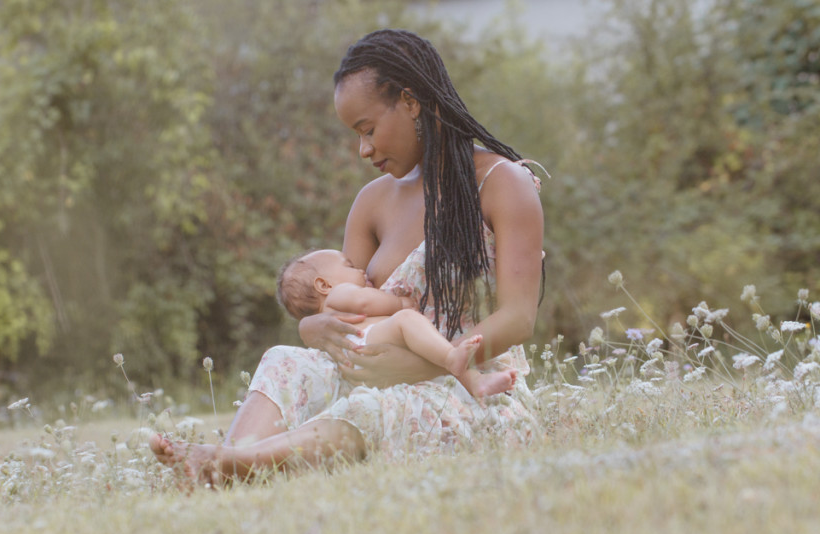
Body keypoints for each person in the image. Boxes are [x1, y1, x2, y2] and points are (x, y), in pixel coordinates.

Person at [152, 28, 545, 486]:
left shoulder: (502, 182)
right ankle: (227, 462)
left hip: (471, 384)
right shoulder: (372, 201)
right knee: (285, 359)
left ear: (411, 101)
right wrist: (310, 327)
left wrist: (427, 363)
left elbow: (519, 317)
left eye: (368, 129)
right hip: (374, 371)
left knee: (372, 408)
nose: (364, 149)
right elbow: (339, 304)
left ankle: (234, 465)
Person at [276, 248, 518, 399]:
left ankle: (475, 382)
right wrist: (399, 304)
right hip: (366, 340)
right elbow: (363, 303)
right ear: (323, 285)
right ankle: (452, 359)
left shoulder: (331, 313)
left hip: (361, 354)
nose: (361, 270)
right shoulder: (338, 294)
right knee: (408, 321)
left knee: (424, 346)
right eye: (350, 266)